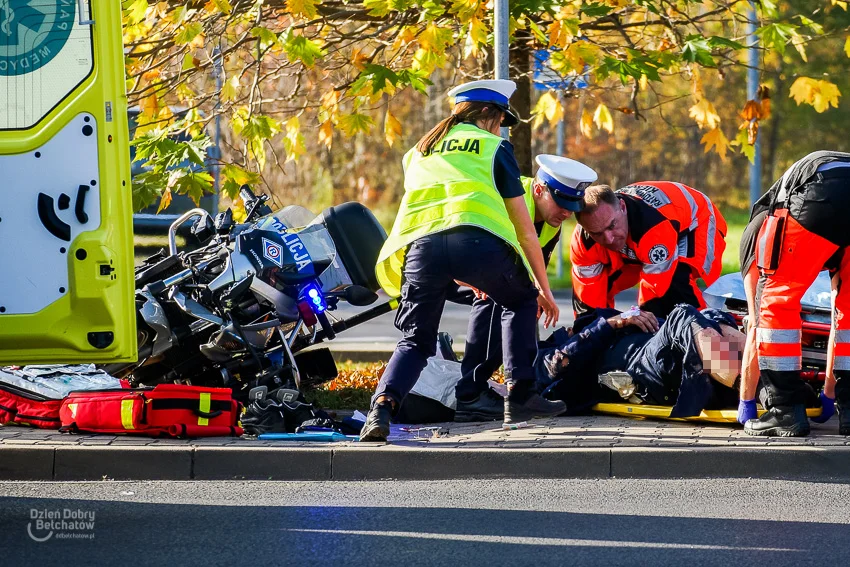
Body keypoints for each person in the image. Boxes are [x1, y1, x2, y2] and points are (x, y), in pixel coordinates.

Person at [361, 79, 566, 442]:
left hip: (421, 249)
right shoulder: (493, 147)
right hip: (476, 241)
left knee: (416, 341)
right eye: (502, 119)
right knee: (518, 300)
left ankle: (380, 409)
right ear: (489, 114)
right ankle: (520, 397)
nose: (502, 127)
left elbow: (434, 210)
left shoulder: (418, 151)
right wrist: (542, 290)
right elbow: (525, 231)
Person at [454, 155, 598, 422]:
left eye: (572, 206)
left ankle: (517, 393)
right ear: (539, 189)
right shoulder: (507, 198)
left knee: (520, 297)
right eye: (562, 204)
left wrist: (541, 294)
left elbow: (532, 267)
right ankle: (472, 395)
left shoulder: (552, 220)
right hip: (450, 266)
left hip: (487, 269)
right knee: (501, 296)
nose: (567, 213)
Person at [744, 151, 850, 437]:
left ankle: (785, 412)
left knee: (775, 302)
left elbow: (756, 320)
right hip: (836, 181)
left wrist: (746, 402)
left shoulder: (762, 222)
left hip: (820, 189)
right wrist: (830, 397)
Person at [535, 304, 743, 418]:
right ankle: (750, 386)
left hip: (663, 350)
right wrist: (609, 324)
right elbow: (556, 366)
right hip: (642, 373)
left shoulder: (580, 326)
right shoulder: (538, 357)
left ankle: (763, 378)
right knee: (683, 316)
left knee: (710, 316)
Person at [570, 182, 727, 318]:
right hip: (644, 234)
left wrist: (643, 324)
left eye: (612, 225)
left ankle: (710, 334)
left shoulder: (652, 225)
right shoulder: (582, 241)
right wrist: (591, 332)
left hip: (696, 220)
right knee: (601, 293)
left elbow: (654, 293)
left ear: (622, 207)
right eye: (597, 233)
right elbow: (586, 297)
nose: (609, 239)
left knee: (676, 282)